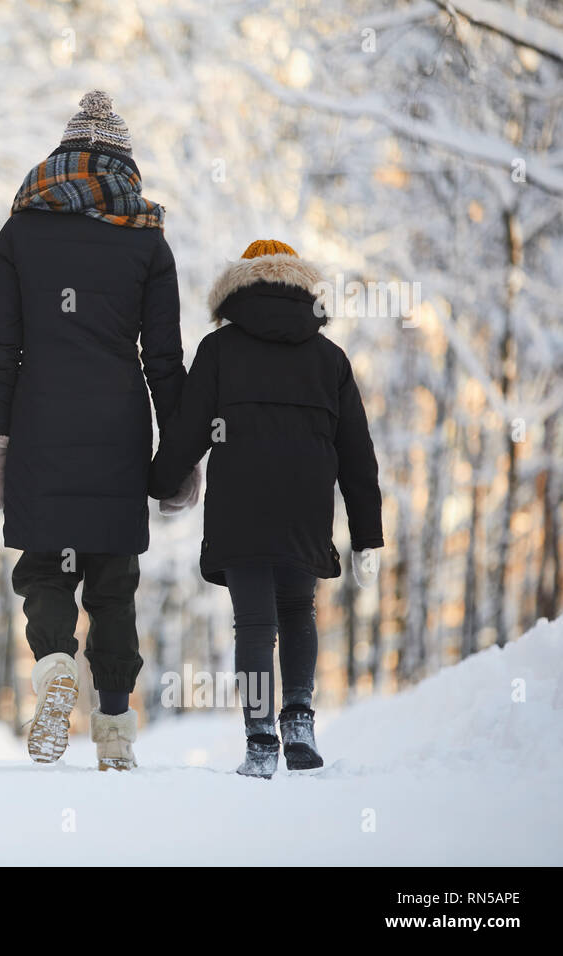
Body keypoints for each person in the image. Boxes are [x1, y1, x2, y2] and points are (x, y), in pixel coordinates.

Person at [0, 91, 197, 771]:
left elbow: (0, 350)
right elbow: (164, 360)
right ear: (123, 163)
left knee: (45, 567)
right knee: (112, 579)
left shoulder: (20, 233)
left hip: (40, 420)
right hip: (117, 427)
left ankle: (52, 673)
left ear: (61, 158)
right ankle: (113, 730)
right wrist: (180, 454)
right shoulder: (145, 238)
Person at [149, 239, 384, 778]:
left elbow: (187, 433)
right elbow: (357, 455)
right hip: (305, 503)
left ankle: (260, 740)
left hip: (240, 504)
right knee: (298, 610)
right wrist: (367, 535)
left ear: (240, 285)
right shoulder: (331, 360)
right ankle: (299, 719)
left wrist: (159, 483)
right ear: (305, 288)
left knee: (254, 624)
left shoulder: (219, 350)